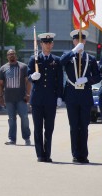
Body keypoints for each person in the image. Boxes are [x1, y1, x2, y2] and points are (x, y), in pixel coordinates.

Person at [60, 30, 101, 163]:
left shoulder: (90, 58)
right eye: (77, 40)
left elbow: (97, 76)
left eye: (82, 40)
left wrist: (87, 80)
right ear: (74, 41)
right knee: (73, 126)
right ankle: (75, 154)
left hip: (85, 95)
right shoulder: (68, 56)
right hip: (72, 96)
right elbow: (61, 62)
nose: (80, 42)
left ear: (85, 41)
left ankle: (84, 154)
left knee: (84, 126)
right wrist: (74, 51)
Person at [28, 33, 63, 162]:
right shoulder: (34, 59)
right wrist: (33, 77)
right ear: (41, 44)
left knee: (49, 128)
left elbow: (59, 80)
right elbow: (28, 75)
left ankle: (47, 153)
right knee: (38, 128)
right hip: (37, 99)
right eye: (45, 43)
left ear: (52, 44)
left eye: (50, 43)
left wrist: (59, 96)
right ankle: (39, 154)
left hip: (50, 99)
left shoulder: (56, 60)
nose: (48, 45)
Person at [0, 49, 32, 146]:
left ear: (16, 55)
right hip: (9, 98)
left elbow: (28, 82)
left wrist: (28, 94)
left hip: (21, 97)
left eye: (13, 54)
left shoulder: (23, 67)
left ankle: (27, 138)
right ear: (7, 56)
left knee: (24, 117)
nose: (11, 55)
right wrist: (0, 96)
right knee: (11, 119)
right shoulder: (3, 68)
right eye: (9, 54)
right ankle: (12, 139)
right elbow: (0, 84)